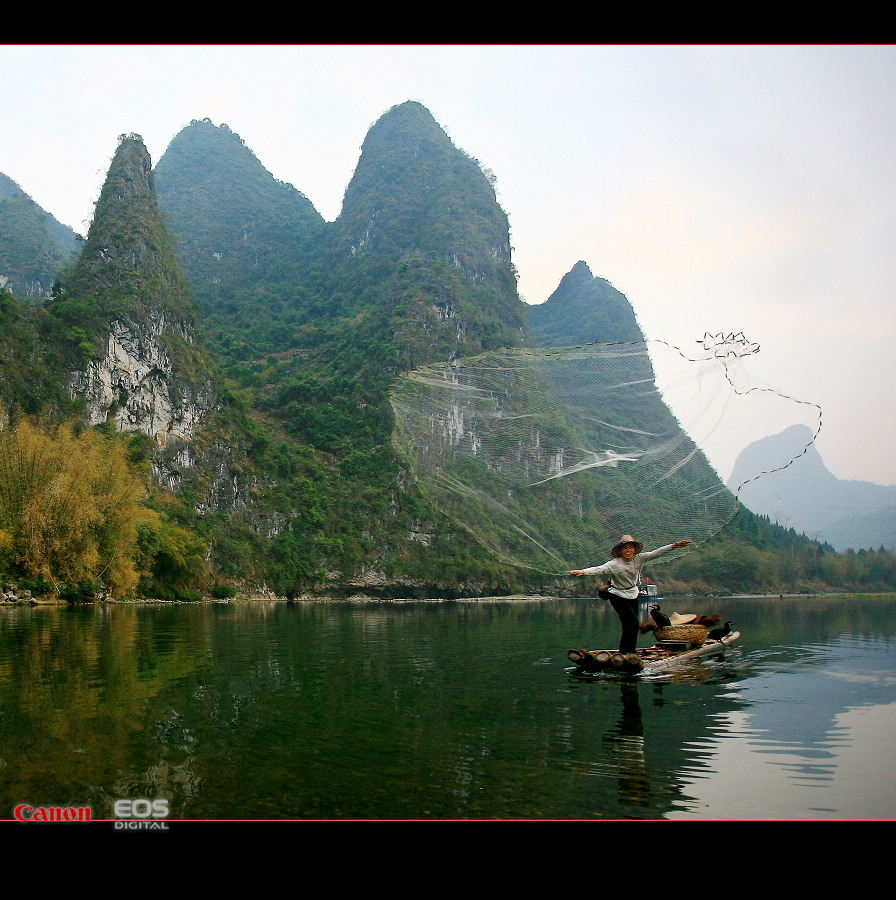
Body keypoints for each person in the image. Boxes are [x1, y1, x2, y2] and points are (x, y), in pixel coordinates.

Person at [571, 535, 692, 654]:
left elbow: (656, 553)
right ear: (620, 551)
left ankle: (628, 651)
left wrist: (674, 546)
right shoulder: (614, 564)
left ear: (634, 549)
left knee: (631, 625)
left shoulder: (639, 558)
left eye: (631, 547)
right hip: (617, 594)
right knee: (632, 622)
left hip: (633, 593)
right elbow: (599, 569)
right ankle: (627, 652)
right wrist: (582, 572)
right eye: (625, 548)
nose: (628, 550)